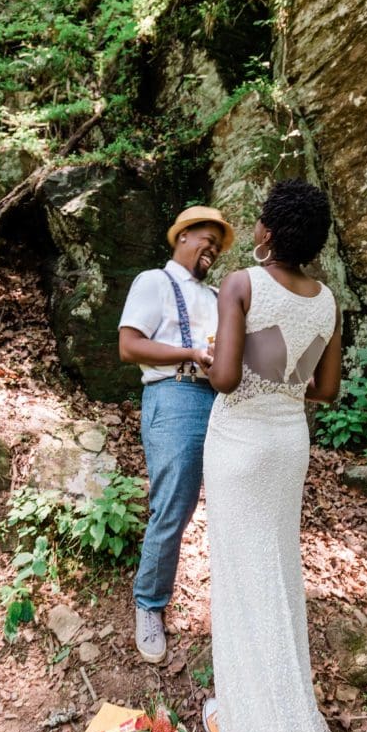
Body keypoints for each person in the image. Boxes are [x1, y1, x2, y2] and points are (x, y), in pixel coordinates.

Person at [203, 179, 367, 732]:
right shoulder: (327, 302)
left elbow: (228, 376)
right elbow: (326, 390)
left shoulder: (240, 284)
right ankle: (262, 703)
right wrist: (285, 377)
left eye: (261, 221)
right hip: (288, 446)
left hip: (238, 444)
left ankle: (247, 720)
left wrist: (209, 358)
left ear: (268, 230)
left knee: (242, 582)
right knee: (276, 574)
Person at [118, 205, 235, 664]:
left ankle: (231, 610)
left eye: (218, 245)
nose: (212, 249)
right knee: (174, 506)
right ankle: (148, 604)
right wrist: (189, 351)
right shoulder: (154, 282)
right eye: (207, 238)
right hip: (175, 395)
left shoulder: (215, 295)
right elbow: (128, 345)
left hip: (222, 401)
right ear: (182, 236)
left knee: (229, 504)